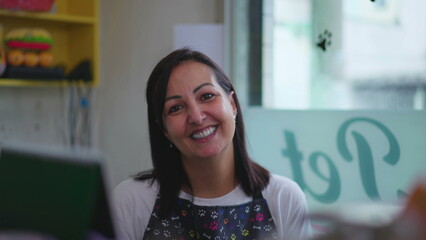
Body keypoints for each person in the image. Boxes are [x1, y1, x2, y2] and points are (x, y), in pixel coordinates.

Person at [113, 48, 312, 240]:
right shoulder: (131, 201)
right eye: (176, 108)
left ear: (232, 104)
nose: (197, 117)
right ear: (164, 129)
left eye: (207, 96)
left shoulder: (284, 198)